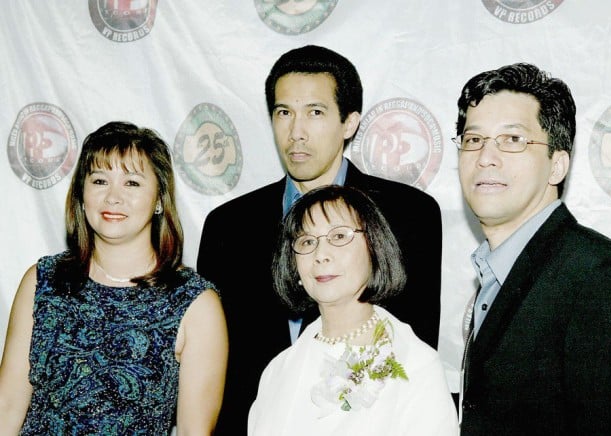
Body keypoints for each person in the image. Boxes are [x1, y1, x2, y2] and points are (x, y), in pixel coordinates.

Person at [197, 44, 443, 433]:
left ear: (350, 123)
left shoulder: (410, 215)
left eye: (315, 112)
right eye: (283, 113)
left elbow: (414, 344)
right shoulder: (228, 226)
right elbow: (213, 365)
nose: (296, 132)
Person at [455, 63, 611, 435]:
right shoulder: (497, 275)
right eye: (473, 139)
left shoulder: (601, 282)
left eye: (512, 140)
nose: (486, 156)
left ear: (557, 165)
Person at [0, 121, 229, 434]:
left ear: (160, 199)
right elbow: (7, 407)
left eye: (132, 183)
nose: (113, 197)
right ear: (81, 193)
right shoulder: (43, 281)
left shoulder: (195, 303)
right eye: (99, 180)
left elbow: (194, 432)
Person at [248, 184, 458, 435]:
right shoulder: (277, 371)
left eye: (338, 237)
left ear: (374, 248)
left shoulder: (416, 365)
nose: (321, 254)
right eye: (307, 241)